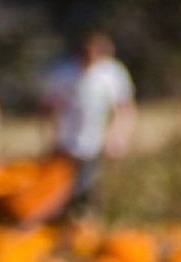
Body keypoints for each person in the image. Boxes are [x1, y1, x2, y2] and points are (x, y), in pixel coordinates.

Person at [43, 31, 137, 218]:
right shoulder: (63, 74)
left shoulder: (111, 75)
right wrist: (49, 137)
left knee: (88, 190)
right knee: (59, 192)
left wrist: (118, 137)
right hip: (66, 142)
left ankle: (85, 225)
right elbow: (48, 109)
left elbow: (125, 109)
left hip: (95, 142)